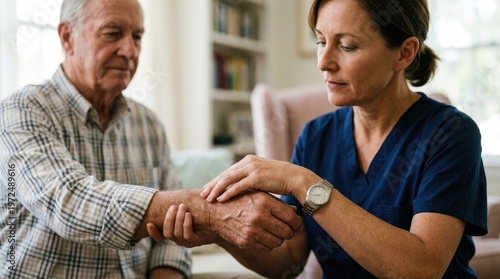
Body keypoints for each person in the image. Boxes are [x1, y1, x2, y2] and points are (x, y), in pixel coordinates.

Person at [153, 0, 488, 278]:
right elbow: (289, 260)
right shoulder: (316, 135)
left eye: (347, 46)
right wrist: (219, 232)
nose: (324, 62)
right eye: (320, 41)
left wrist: (301, 181)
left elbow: (422, 269)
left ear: (404, 53)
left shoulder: (450, 133)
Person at [0, 0, 302, 278]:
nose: (130, 51)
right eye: (113, 33)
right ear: (67, 37)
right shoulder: (21, 111)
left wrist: (168, 268)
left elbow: (171, 237)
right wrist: (210, 212)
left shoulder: (149, 124)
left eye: (137, 37)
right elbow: (69, 203)